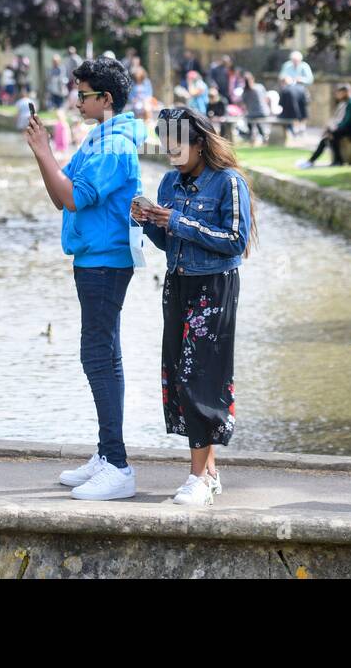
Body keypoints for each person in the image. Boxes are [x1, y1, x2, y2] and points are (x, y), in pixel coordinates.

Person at [23, 57, 146, 501]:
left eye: (84, 94)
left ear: (106, 99)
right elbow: (61, 197)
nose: (77, 101)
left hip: (106, 261)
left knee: (99, 356)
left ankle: (117, 465)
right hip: (93, 258)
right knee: (100, 352)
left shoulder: (114, 147)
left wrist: (42, 151)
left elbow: (71, 196)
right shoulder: (100, 137)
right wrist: (46, 157)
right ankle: (106, 453)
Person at [132, 108, 254, 506]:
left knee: (199, 376)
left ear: (200, 142)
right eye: (165, 141)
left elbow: (235, 241)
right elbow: (171, 245)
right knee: (178, 376)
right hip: (178, 284)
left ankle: (197, 477)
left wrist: (178, 221)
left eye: (177, 142)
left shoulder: (228, 183)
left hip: (214, 287)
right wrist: (151, 221)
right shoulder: (169, 182)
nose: (169, 150)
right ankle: (210, 473)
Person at [297, 83, 351, 167]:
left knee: (331, 136)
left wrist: (333, 129)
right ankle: (316, 160)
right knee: (329, 136)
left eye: (339, 93)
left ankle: (336, 161)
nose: (337, 96)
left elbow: (347, 122)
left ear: (345, 92)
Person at [279, 51, 313, 134]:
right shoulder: (287, 65)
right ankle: (294, 125)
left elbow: (310, 79)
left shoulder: (304, 66)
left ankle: (302, 125)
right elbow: (281, 76)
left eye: (297, 61)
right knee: (291, 107)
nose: (295, 62)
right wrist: (286, 79)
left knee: (303, 107)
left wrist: (300, 79)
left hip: (301, 90)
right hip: (290, 91)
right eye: (293, 60)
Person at [239, 71, 270, 145]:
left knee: (249, 119)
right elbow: (266, 99)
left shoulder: (245, 91)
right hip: (264, 112)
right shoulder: (259, 87)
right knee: (257, 121)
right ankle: (263, 137)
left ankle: (251, 137)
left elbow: (244, 105)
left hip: (253, 113)